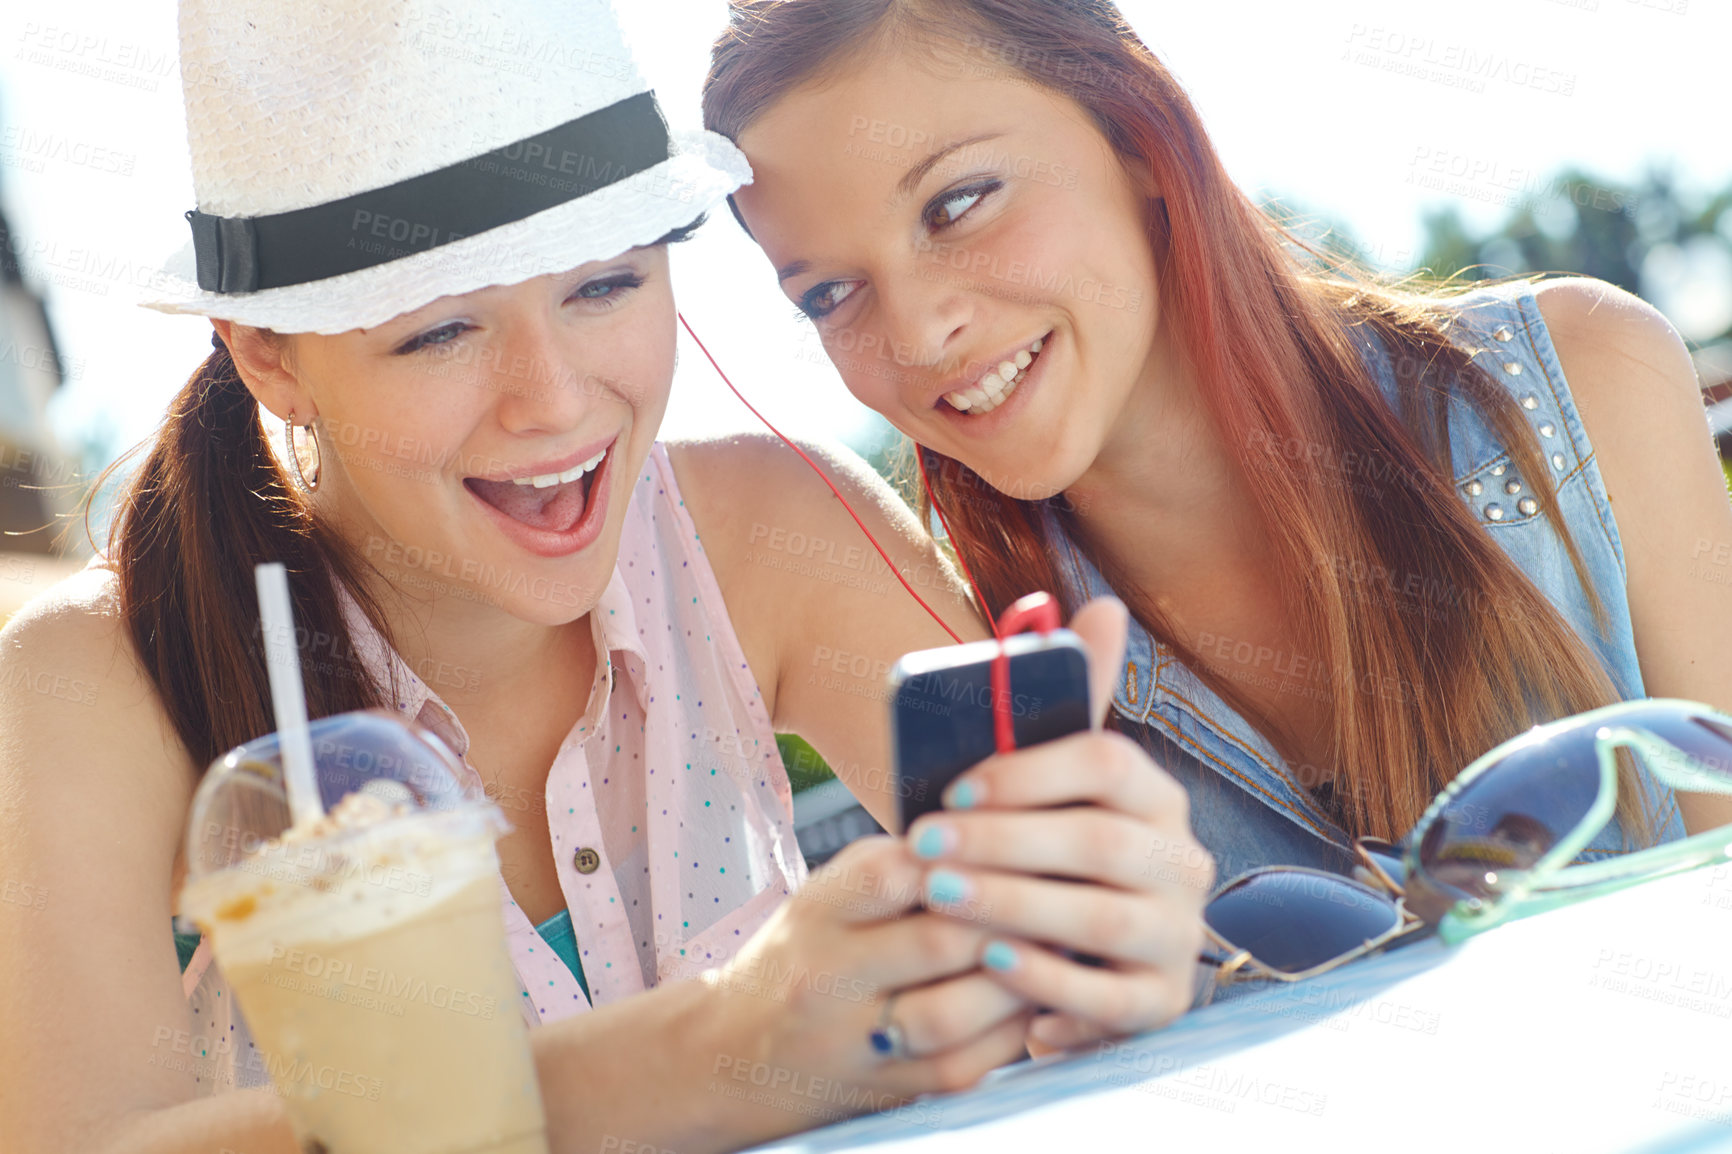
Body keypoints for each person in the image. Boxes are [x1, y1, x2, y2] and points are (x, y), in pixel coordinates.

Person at [0, 2, 1213, 1153]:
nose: (557, 399)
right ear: (270, 355)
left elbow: (1075, 922)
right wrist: (697, 1055)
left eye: (604, 284)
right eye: (440, 331)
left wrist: (1107, 907)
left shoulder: (775, 530)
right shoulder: (90, 680)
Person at [702, 0, 1732, 882]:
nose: (918, 333)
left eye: (957, 202)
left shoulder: (1582, 386)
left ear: (1140, 138)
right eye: (829, 293)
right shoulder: (969, 661)